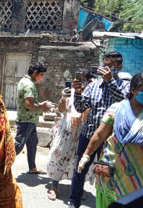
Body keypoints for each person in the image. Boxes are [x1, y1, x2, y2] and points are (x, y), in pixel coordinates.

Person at [69, 51, 130, 208]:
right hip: (89, 135)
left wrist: (110, 82)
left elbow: (124, 103)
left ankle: (107, 202)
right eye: (105, 66)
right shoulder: (93, 86)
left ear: (119, 67)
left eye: (111, 66)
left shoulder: (125, 86)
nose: (107, 69)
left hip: (111, 139)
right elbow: (81, 107)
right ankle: (74, 200)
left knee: (108, 172)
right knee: (80, 168)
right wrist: (77, 93)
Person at [77, 72, 143, 208]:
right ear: (133, 90)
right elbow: (100, 134)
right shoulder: (116, 109)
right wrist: (86, 155)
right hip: (111, 169)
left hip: (137, 174)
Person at [46, 86, 94, 201]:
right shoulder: (71, 93)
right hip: (67, 132)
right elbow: (61, 110)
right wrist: (63, 98)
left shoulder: (92, 93)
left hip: (84, 131)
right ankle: (54, 186)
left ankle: (79, 187)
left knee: (82, 159)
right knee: (59, 156)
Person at [14, 62, 51, 174]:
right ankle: (0, 165)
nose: (42, 77)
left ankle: (32, 168)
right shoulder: (29, 85)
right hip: (26, 120)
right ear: (35, 73)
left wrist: (40, 104)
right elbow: (28, 104)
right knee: (18, 145)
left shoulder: (24, 81)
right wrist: (41, 106)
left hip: (29, 120)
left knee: (32, 143)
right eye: (41, 75)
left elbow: (30, 102)